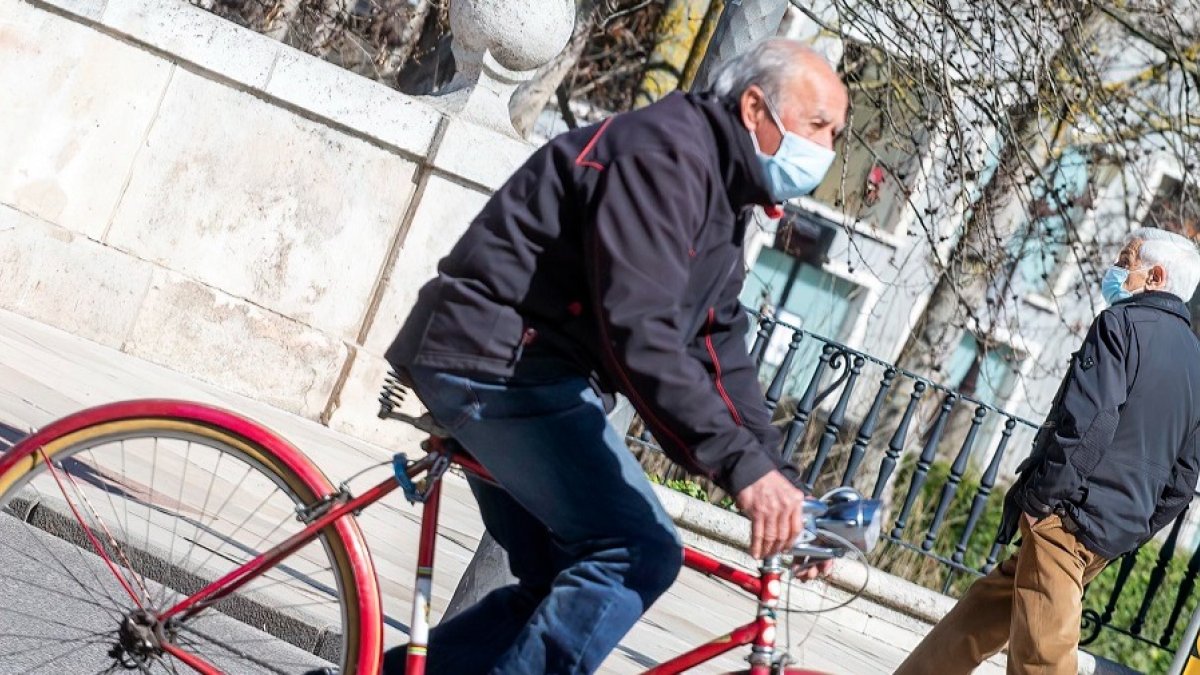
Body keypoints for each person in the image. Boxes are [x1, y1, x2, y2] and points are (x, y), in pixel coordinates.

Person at [381, 38, 848, 675]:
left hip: (533, 371)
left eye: (836, 134)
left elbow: (716, 343)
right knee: (638, 550)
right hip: (493, 363)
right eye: (818, 126)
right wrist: (742, 471)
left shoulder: (720, 191)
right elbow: (642, 332)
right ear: (754, 109)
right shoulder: (664, 157)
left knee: (561, 582)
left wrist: (780, 478)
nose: (825, 149)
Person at [896, 228, 1200, 675]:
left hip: (1069, 517)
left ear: (1155, 276)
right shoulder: (1195, 359)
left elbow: (1091, 422)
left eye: (1126, 258)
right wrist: (1135, 525)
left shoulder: (1120, 325)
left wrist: (1041, 500)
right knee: (986, 610)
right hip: (1111, 528)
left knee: (1042, 658)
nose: (1116, 268)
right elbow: (1184, 478)